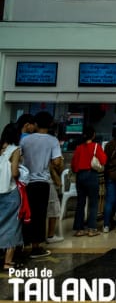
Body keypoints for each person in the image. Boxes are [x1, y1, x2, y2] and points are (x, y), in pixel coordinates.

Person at [20, 111, 63, 258]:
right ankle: (36, 248)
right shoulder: (53, 141)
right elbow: (57, 162)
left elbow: (18, 158)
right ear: (50, 124)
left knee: (26, 213)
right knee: (40, 215)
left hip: (26, 183)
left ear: (36, 124)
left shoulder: (25, 140)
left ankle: (23, 245)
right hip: (43, 183)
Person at [70, 125, 106, 237]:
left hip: (80, 176)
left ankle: (79, 229)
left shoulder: (78, 148)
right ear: (93, 135)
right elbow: (104, 160)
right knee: (93, 203)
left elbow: (73, 165)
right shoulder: (96, 146)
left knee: (80, 203)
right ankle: (91, 229)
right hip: (91, 175)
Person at [0, 123, 24, 270]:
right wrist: (21, 173)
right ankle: (8, 262)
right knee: (12, 226)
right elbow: (15, 172)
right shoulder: (15, 150)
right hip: (10, 192)